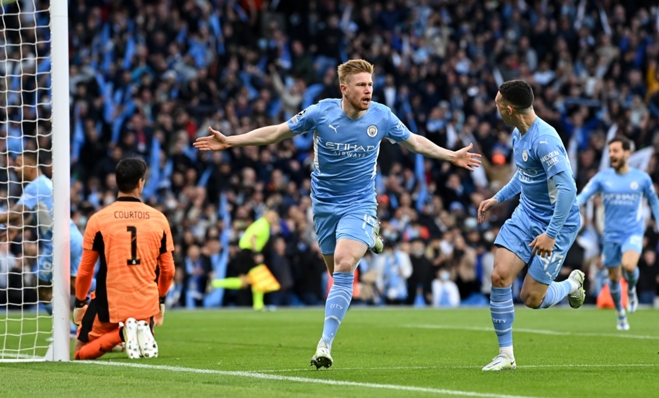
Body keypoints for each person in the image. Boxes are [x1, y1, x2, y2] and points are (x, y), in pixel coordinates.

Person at [194, 59, 481, 369]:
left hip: (359, 202)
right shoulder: (321, 112)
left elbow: (414, 142)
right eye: (361, 85)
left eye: (370, 84)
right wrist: (231, 141)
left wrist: (451, 155)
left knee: (345, 264)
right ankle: (369, 235)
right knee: (336, 273)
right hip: (324, 206)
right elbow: (277, 132)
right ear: (344, 89)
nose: (368, 90)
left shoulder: (382, 116)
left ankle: (325, 344)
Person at [477, 80, 586, 371]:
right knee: (500, 275)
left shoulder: (544, 140)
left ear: (510, 109)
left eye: (498, 104)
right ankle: (506, 355)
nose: (496, 108)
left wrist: (550, 235)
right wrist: (497, 198)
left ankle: (572, 284)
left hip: (557, 222)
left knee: (532, 298)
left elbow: (567, 190)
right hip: (526, 214)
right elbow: (524, 173)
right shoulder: (518, 134)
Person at [72, 158, 175, 360]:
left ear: (117, 182)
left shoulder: (99, 219)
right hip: (145, 305)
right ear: (140, 182)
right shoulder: (159, 218)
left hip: (109, 302)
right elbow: (168, 270)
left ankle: (121, 333)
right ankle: (137, 330)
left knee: (79, 353)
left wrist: (79, 302)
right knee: (139, 324)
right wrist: (160, 298)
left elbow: (85, 270)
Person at [577, 136, 659, 330]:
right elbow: (584, 196)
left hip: (633, 232)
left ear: (628, 153)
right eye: (610, 151)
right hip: (610, 235)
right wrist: (572, 204)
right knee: (613, 278)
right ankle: (620, 312)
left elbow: (654, 202)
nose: (612, 154)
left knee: (629, 266)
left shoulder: (641, 178)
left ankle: (632, 289)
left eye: (616, 150)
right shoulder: (603, 178)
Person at [0, 152, 87, 318]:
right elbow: (40, 216)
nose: (16, 169)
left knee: (41, 285)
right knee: (75, 286)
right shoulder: (46, 183)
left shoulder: (35, 186)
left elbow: (16, 214)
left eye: (19, 164)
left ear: (31, 166)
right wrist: (18, 229)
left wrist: (13, 222)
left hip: (59, 243)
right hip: (73, 238)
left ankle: (66, 329)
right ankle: (110, 296)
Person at [210, 210, 280, 310]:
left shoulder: (263, 224)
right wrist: (256, 253)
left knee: (246, 282)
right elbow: (253, 237)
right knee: (257, 278)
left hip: (246, 253)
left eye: (275, 217)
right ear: (266, 216)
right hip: (248, 254)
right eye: (272, 216)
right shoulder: (262, 224)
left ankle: (215, 283)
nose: (274, 219)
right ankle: (258, 305)